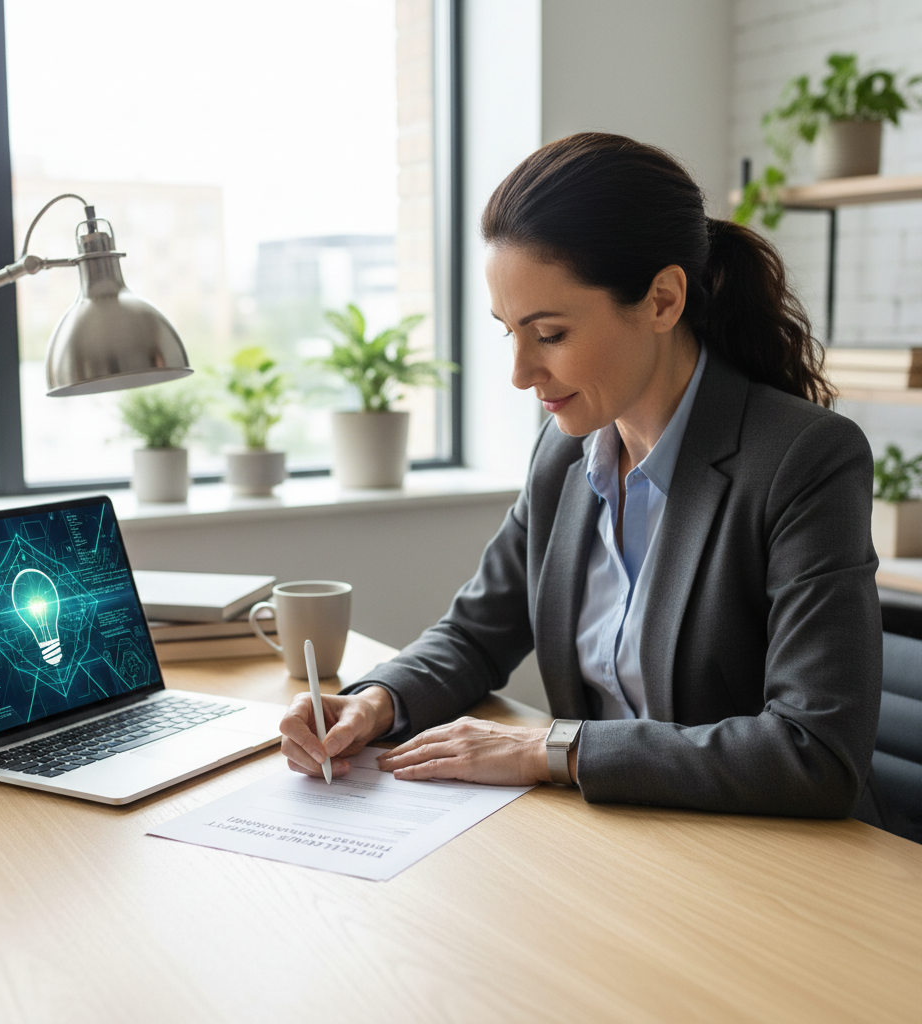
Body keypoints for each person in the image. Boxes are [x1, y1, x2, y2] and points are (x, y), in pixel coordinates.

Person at [280, 132, 884, 824]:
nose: (520, 373)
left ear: (662, 300)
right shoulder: (566, 455)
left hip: (771, 863)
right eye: (510, 332)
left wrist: (550, 750)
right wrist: (374, 700)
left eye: (551, 334)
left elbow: (815, 753)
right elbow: (477, 633)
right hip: (618, 841)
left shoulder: (804, 460)